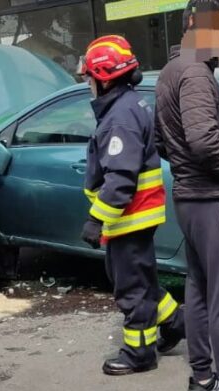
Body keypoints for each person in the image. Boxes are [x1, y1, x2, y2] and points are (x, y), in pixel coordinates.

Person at [155, 0, 219, 390]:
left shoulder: (170, 70)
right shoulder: (195, 73)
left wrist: (186, 168)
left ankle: (202, 378)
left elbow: (160, 140)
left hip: (190, 197)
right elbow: (203, 139)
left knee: (198, 292)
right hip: (211, 199)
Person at [78, 35, 185, 376]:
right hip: (137, 216)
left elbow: (121, 179)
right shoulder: (131, 103)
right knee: (141, 277)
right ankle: (174, 321)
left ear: (104, 77)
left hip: (130, 217)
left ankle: (139, 353)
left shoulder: (120, 116)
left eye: (89, 77)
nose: (88, 84)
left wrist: (96, 219)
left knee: (131, 286)